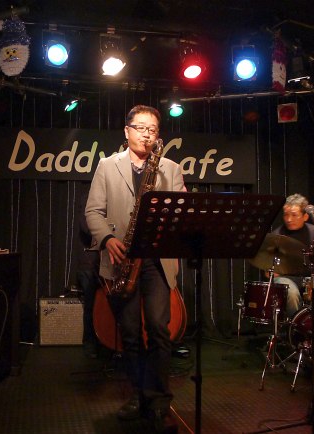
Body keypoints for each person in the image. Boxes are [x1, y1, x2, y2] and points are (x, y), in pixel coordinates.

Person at [85, 105, 184, 434]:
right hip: (121, 259)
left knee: (158, 329)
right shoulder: (106, 165)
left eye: (152, 129)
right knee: (129, 334)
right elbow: (93, 212)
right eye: (140, 127)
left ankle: (159, 400)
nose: (146, 134)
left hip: (157, 260)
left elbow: (181, 211)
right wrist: (108, 238)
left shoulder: (171, 168)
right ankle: (138, 395)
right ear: (126, 131)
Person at [270, 193, 314, 318]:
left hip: (309, 278)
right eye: (286, 215)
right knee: (291, 293)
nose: (289, 219)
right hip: (286, 278)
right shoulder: (277, 235)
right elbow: (268, 269)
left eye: (294, 215)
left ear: (305, 216)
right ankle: (295, 326)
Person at [76, 187, 101, 359]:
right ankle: (91, 342)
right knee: (92, 305)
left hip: (112, 262)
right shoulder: (89, 197)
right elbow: (86, 226)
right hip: (90, 263)